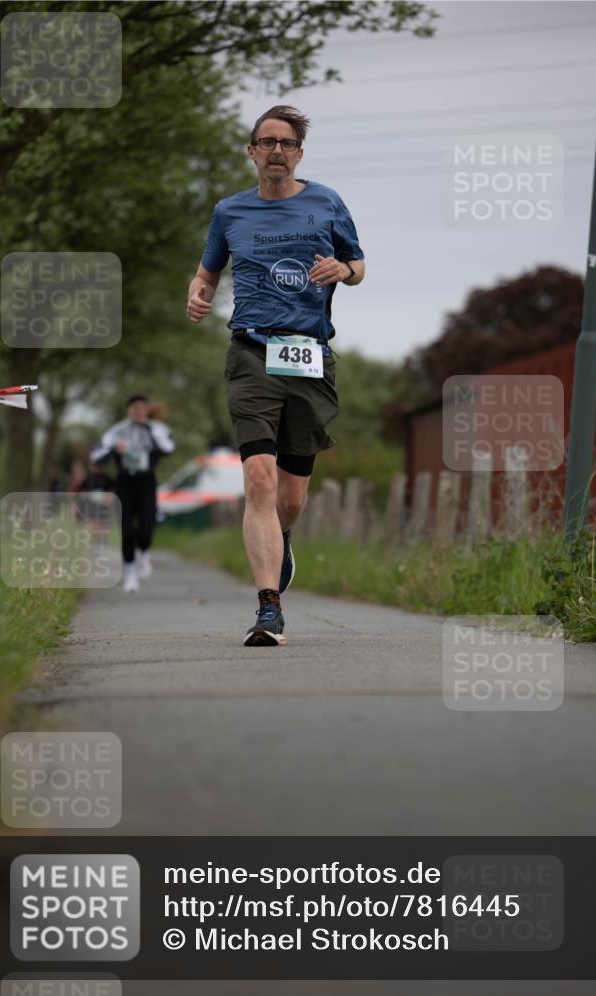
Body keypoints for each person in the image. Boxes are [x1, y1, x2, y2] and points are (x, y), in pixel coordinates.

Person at [186, 105, 365, 646]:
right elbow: (206, 272)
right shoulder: (230, 212)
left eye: (286, 143)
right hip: (251, 353)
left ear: (299, 154)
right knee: (258, 480)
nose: (277, 151)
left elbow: (358, 266)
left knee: (290, 495)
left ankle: (281, 539)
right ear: (252, 151)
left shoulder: (327, 202)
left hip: (310, 357)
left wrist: (343, 269)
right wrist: (197, 296)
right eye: (267, 142)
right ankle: (269, 608)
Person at [91, 394, 175, 592]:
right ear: (129, 410)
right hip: (124, 482)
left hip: (146, 481)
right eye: (134, 408)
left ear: (147, 410)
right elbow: (96, 455)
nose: (138, 412)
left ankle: (143, 552)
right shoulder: (117, 431)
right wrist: (114, 449)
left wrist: (152, 435)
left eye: (142, 408)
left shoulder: (157, 429)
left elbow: (169, 448)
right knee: (126, 529)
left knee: (147, 526)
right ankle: (130, 574)